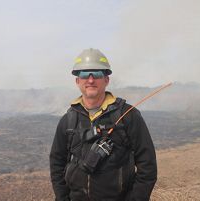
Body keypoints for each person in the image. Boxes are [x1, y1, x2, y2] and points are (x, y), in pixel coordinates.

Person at [49, 48, 157, 201]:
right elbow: (57, 163)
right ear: (77, 80)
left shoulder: (128, 116)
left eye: (97, 74)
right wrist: (62, 198)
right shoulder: (68, 120)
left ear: (106, 79)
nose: (91, 80)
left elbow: (148, 166)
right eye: (85, 74)